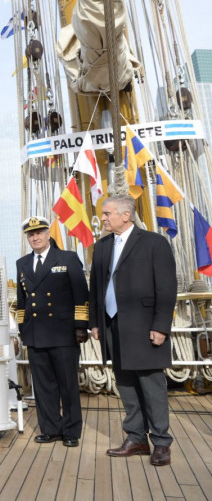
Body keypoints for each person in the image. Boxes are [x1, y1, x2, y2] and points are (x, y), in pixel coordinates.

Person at [89, 195, 176, 466]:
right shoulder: (101, 247)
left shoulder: (154, 243)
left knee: (152, 386)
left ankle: (161, 442)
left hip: (145, 327)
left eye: (107, 213)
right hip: (113, 326)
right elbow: (96, 289)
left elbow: (166, 288)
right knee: (125, 384)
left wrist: (161, 326)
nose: (102, 218)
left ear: (125, 215)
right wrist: (95, 322)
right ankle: (136, 438)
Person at [15, 216, 88, 447]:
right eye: (30, 234)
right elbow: (21, 300)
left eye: (39, 233)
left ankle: (70, 431)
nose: (35, 237)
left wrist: (80, 326)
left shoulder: (66, 258)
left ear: (48, 234)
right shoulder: (22, 263)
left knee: (67, 385)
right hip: (36, 333)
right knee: (43, 385)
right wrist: (22, 329)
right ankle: (50, 429)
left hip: (63, 333)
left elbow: (81, 295)